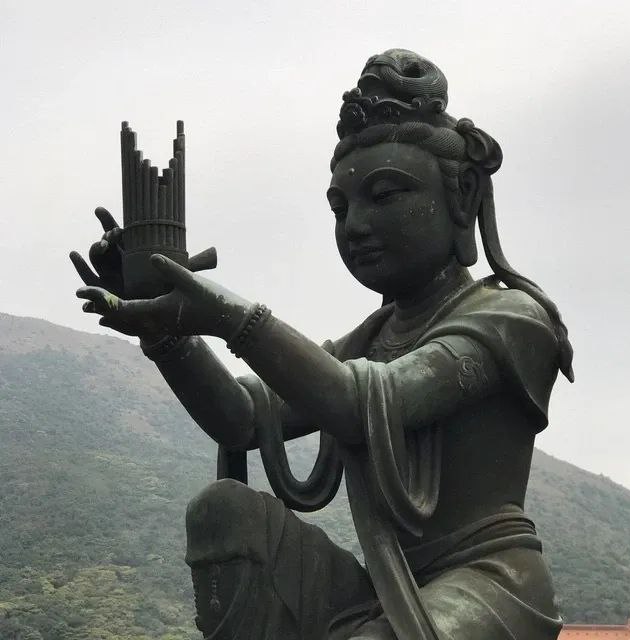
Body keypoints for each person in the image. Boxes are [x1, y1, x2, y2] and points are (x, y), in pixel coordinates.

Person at [71, 49, 573, 640]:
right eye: (340, 207)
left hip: (489, 586)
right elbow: (240, 417)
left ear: (462, 196)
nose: (355, 224)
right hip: (391, 586)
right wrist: (165, 332)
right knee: (222, 512)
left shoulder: (511, 318)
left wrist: (230, 317)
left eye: (384, 195)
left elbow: (363, 403)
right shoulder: (368, 341)